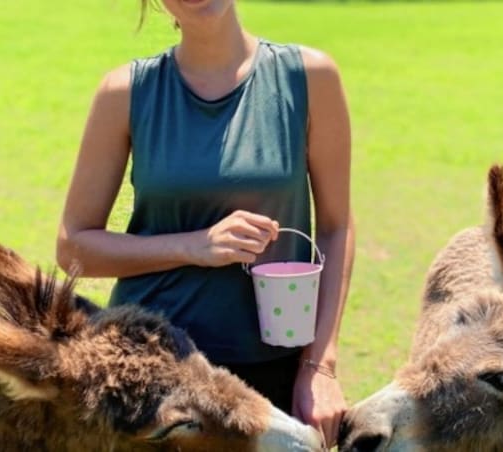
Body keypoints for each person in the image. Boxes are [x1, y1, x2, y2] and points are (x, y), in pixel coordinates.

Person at [55, 0, 354, 447]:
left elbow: (335, 227)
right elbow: (73, 248)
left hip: (274, 371)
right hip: (156, 380)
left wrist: (319, 368)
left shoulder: (310, 78)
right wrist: (193, 245)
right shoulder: (124, 92)